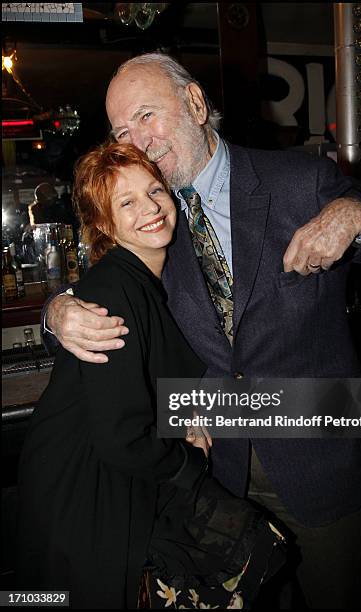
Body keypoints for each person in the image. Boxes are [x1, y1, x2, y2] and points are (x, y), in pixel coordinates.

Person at [42, 53, 361, 609]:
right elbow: (96, 297)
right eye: (122, 131)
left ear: (193, 104)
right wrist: (56, 314)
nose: (138, 141)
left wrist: (357, 216)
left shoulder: (299, 180)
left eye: (146, 116)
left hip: (322, 461)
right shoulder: (148, 218)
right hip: (215, 480)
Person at [17, 143, 286, 610]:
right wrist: (189, 460)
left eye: (155, 191)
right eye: (127, 202)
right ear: (103, 223)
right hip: (86, 490)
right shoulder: (114, 288)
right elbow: (121, 436)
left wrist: (182, 419)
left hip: (103, 476)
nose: (151, 208)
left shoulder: (147, 278)